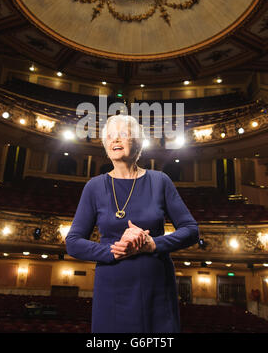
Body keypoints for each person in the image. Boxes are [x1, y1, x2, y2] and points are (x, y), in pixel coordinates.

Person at [65, 114, 199, 333]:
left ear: (139, 142)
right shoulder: (94, 186)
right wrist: (114, 251)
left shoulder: (160, 181)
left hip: (156, 286)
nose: (115, 140)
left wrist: (153, 244)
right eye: (109, 136)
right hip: (111, 287)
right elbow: (73, 242)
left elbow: (191, 230)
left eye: (123, 135)